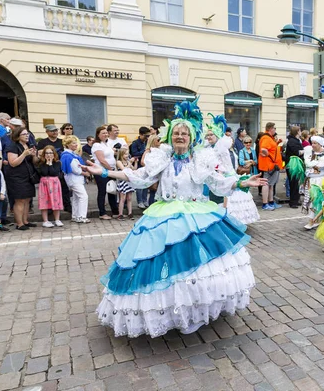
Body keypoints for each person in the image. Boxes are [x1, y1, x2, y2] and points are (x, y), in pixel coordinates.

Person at [84, 99, 267, 337]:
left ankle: (196, 310)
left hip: (196, 216)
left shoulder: (200, 161)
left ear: (192, 138)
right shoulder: (162, 159)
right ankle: (169, 313)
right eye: (176, 133)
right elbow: (141, 177)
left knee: (197, 269)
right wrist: (106, 172)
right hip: (164, 214)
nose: (180, 136)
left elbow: (217, 183)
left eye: (184, 133)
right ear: (170, 136)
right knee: (161, 264)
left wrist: (242, 181)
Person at [5, 126, 38, 230]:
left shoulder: (28, 145)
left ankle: (25, 221)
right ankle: (19, 224)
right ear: (17, 136)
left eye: (27, 133)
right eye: (24, 134)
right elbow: (13, 163)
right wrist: (24, 154)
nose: (27, 135)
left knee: (27, 199)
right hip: (16, 177)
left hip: (28, 176)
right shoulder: (13, 146)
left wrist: (33, 155)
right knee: (20, 200)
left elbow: (35, 162)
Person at [62, 136, 90, 223]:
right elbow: (75, 169)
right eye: (73, 143)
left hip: (74, 179)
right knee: (83, 196)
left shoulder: (69, 155)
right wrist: (85, 173)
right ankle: (81, 216)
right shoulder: (69, 156)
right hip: (74, 180)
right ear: (68, 144)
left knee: (76, 198)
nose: (76, 145)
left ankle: (75, 215)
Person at [92, 126, 118, 220]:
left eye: (106, 133)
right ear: (98, 135)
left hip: (110, 170)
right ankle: (102, 213)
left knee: (112, 191)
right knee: (102, 191)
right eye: (103, 133)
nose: (105, 134)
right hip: (102, 171)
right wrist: (110, 169)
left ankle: (115, 211)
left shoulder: (106, 144)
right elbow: (102, 160)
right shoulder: (97, 145)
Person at [258, 122, 283, 211]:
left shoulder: (269, 138)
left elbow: (270, 149)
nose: (275, 130)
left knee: (270, 184)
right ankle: (265, 204)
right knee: (266, 184)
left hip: (272, 166)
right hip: (269, 166)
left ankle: (271, 202)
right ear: (270, 129)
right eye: (274, 128)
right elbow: (263, 149)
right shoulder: (266, 138)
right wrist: (270, 156)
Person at [38, 146, 64, 228]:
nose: (49, 155)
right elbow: (44, 172)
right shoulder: (41, 163)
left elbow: (54, 172)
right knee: (44, 201)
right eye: (47, 153)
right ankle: (45, 220)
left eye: (50, 153)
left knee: (56, 200)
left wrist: (51, 163)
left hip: (54, 183)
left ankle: (57, 219)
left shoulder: (58, 163)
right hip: (44, 184)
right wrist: (47, 163)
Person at [130, 126, 151, 209]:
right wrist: (145, 151)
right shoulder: (135, 143)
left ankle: (145, 200)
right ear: (141, 134)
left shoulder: (146, 143)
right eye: (146, 136)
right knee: (139, 184)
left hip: (146, 165)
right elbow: (134, 153)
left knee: (146, 183)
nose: (147, 138)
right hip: (138, 165)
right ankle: (140, 201)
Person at [284, 126, 304, 209]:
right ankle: (293, 202)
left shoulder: (294, 140)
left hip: (295, 164)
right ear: (297, 132)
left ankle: (295, 200)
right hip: (293, 164)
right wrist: (304, 151)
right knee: (293, 183)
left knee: (296, 183)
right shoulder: (292, 141)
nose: (301, 132)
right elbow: (296, 152)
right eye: (299, 131)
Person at [115, 148, 136, 220]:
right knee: (122, 199)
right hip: (122, 181)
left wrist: (135, 162)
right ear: (121, 154)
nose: (127, 155)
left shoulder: (128, 161)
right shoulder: (119, 162)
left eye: (128, 154)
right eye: (126, 154)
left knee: (129, 198)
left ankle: (130, 213)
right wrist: (130, 163)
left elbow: (134, 169)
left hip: (129, 181)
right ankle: (120, 214)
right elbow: (124, 169)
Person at [141, 135, 161, 206]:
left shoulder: (160, 150)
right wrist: (151, 168)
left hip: (159, 173)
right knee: (153, 191)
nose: (160, 142)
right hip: (152, 174)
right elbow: (142, 162)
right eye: (158, 140)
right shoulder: (148, 150)